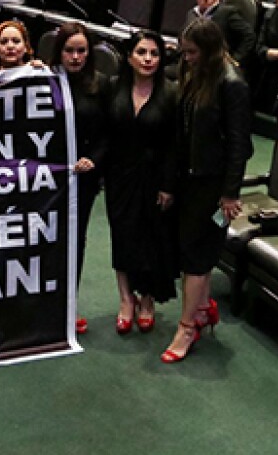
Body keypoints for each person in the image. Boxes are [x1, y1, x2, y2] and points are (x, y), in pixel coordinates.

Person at [158, 19, 252, 363]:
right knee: (193, 248)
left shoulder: (232, 83)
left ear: (210, 50)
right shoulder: (196, 73)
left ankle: (187, 327)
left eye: (193, 52)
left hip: (214, 186)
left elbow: (239, 144)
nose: (187, 58)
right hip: (189, 177)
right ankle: (201, 310)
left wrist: (230, 193)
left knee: (197, 255)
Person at [103, 29, 179, 337]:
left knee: (151, 241)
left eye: (154, 54)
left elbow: (175, 145)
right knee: (122, 236)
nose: (148, 59)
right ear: (129, 57)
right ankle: (126, 299)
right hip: (119, 176)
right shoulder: (112, 87)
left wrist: (168, 185)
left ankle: (147, 300)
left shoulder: (171, 93)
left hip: (154, 178)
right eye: (141, 53)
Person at [50, 23, 112, 335]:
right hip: (49, 180)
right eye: (69, 50)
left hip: (83, 179)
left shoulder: (101, 85)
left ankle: (68, 304)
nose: (75, 57)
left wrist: (94, 160)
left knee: (75, 241)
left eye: (81, 51)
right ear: (59, 51)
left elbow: (108, 133)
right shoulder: (44, 81)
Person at [192, 0, 256, 67]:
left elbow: (249, 35)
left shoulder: (226, 13)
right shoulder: (191, 13)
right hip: (194, 62)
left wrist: (236, 59)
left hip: (218, 64)